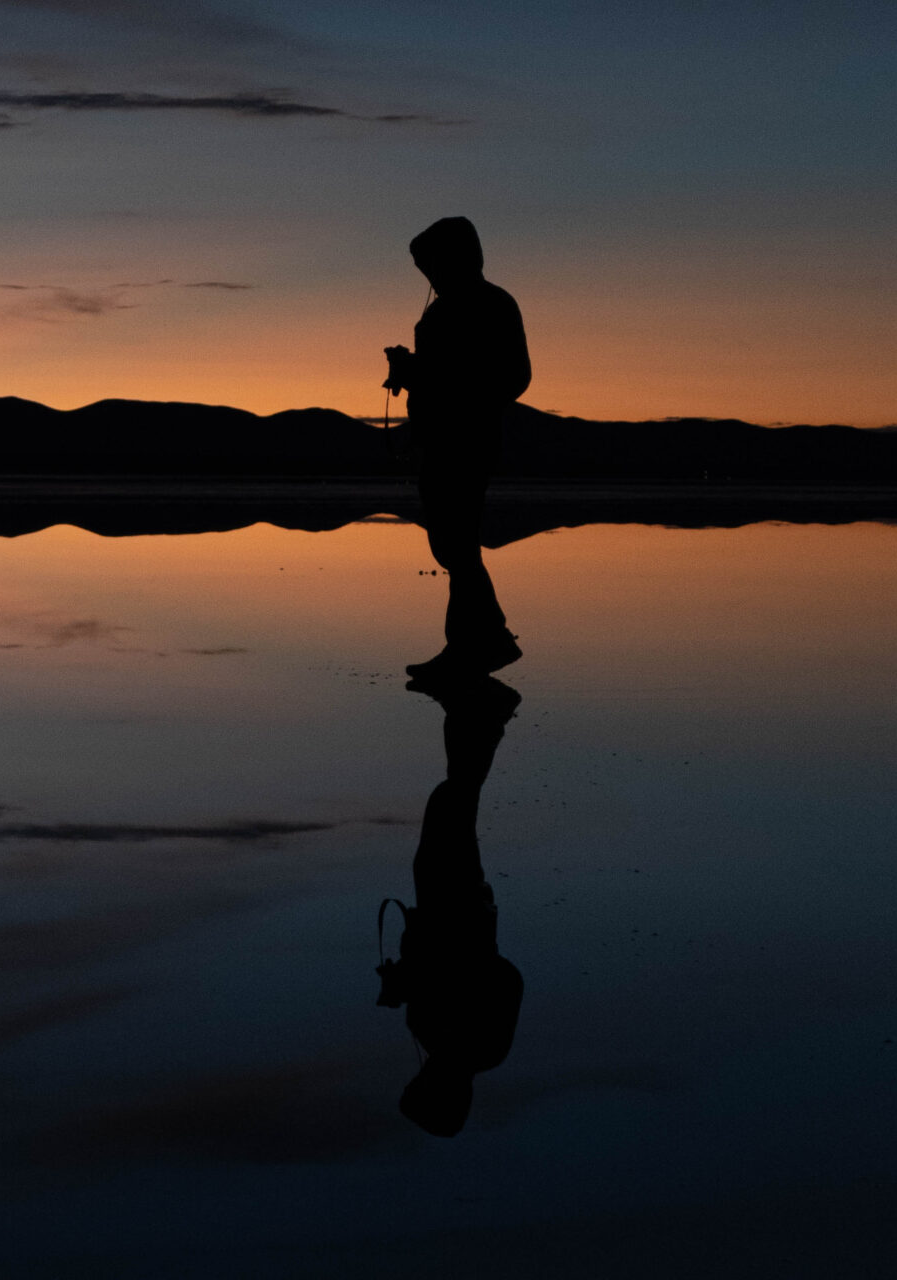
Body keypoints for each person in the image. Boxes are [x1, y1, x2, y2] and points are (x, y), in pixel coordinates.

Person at [376, 671, 525, 1137]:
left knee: (452, 799)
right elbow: (508, 980)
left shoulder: (430, 1036)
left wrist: (404, 978)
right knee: (454, 800)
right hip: (461, 909)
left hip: (439, 905)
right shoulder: (482, 1049)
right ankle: (487, 710)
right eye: (423, 1085)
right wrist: (455, 967)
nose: (420, 1074)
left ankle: (465, 707)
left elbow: (426, 974)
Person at [383, 216, 530, 677]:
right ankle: (476, 644)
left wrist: (425, 376)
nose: (427, 275)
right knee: (453, 546)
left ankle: (483, 644)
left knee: (456, 545)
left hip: (466, 441)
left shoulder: (490, 303)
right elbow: (443, 373)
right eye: (422, 267)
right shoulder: (444, 309)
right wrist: (411, 372)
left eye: (430, 263)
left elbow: (511, 376)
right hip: (441, 439)